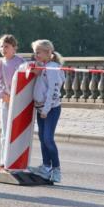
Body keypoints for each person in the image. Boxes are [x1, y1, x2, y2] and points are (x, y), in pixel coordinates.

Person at [29, 39, 65, 183]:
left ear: (48, 52)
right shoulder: (44, 66)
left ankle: (56, 169)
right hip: (41, 108)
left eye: (38, 52)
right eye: (35, 52)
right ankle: (46, 167)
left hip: (50, 109)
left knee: (48, 139)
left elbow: (53, 90)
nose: (35, 55)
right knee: (42, 138)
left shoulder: (52, 68)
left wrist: (46, 109)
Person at [0, 34, 26, 169]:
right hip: (6, 101)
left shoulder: (21, 63)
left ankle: (17, 160)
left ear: (14, 48)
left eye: (6, 46)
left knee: (17, 132)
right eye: (1, 46)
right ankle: (4, 161)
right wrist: (2, 95)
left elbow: (26, 81)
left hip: (19, 101)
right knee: (5, 133)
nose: (3, 49)